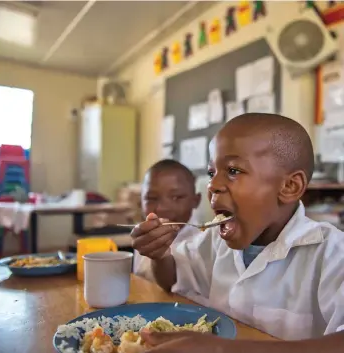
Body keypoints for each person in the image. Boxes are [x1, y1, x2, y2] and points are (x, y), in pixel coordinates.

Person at [131, 113, 344, 351]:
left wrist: (223, 349)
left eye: (233, 170)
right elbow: (173, 280)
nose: (213, 185)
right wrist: (160, 256)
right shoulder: (212, 241)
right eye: (212, 173)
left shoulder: (332, 254)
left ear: (289, 186)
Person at [133, 159, 201, 282]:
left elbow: (173, 286)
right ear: (140, 202)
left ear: (195, 201)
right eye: (152, 198)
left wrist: (161, 256)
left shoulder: (203, 244)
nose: (162, 208)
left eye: (176, 197)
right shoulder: (143, 234)